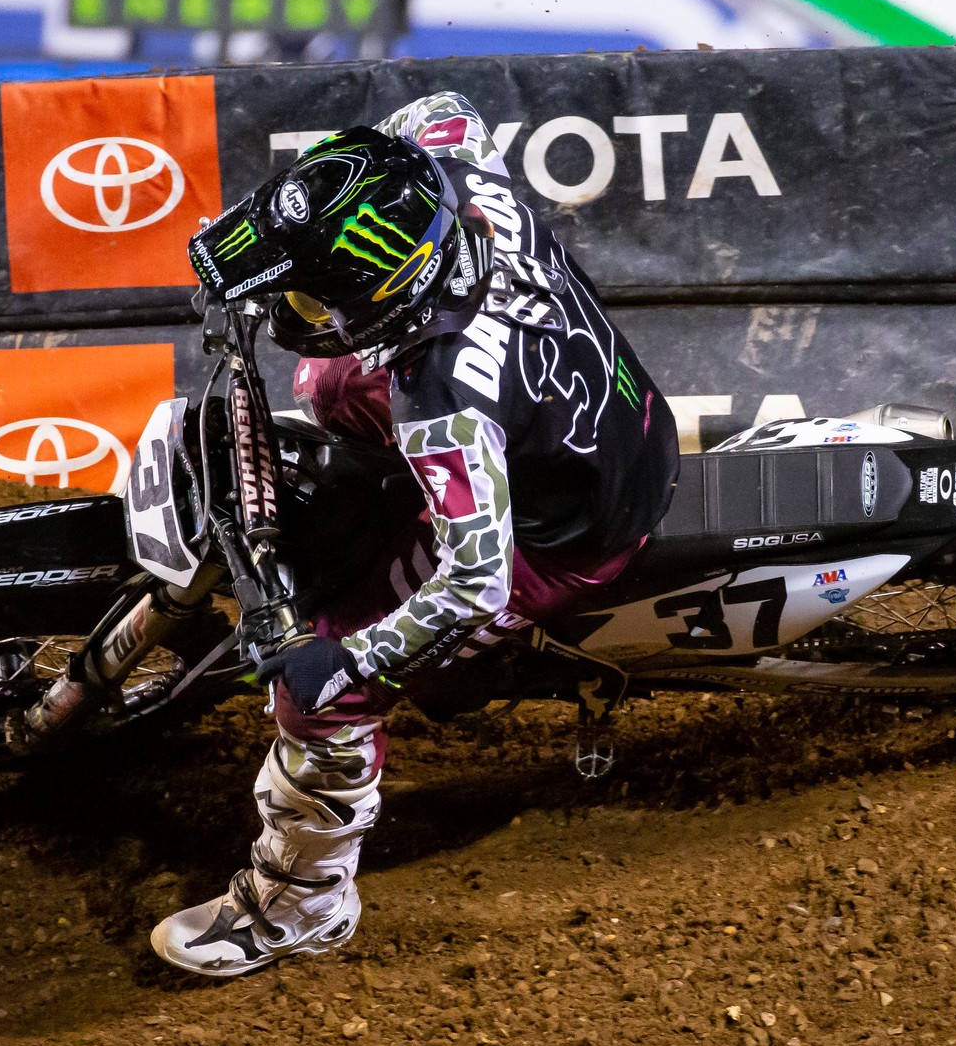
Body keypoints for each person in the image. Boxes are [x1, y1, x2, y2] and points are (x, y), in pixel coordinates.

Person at [151, 93, 680, 977]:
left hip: (565, 538)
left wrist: (348, 661)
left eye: (315, 295)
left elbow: (479, 581)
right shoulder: (459, 173)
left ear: (393, 299)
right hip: (605, 420)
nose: (296, 305)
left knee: (320, 695)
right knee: (325, 381)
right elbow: (440, 108)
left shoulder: (446, 407)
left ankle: (303, 905)